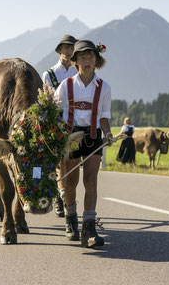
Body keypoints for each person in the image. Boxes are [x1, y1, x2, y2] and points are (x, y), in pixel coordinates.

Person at [55, 39, 113, 248]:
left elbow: (104, 116)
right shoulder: (65, 86)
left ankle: (89, 228)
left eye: (91, 57)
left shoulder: (104, 87)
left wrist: (107, 134)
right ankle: (71, 221)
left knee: (91, 180)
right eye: (83, 57)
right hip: (70, 136)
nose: (87, 61)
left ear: (96, 61)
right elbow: (54, 113)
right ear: (76, 62)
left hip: (93, 135)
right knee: (70, 182)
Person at [42, 34, 78, 218]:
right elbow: (46, 101)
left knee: (72, 161)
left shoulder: (78, 72)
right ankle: (59, 196)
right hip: (56, 122)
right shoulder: (49, 74)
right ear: (59, 51)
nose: (69, 51)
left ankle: (67, 196)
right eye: (66, 48)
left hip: (76, 122)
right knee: (58, 162)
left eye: (72, 48)